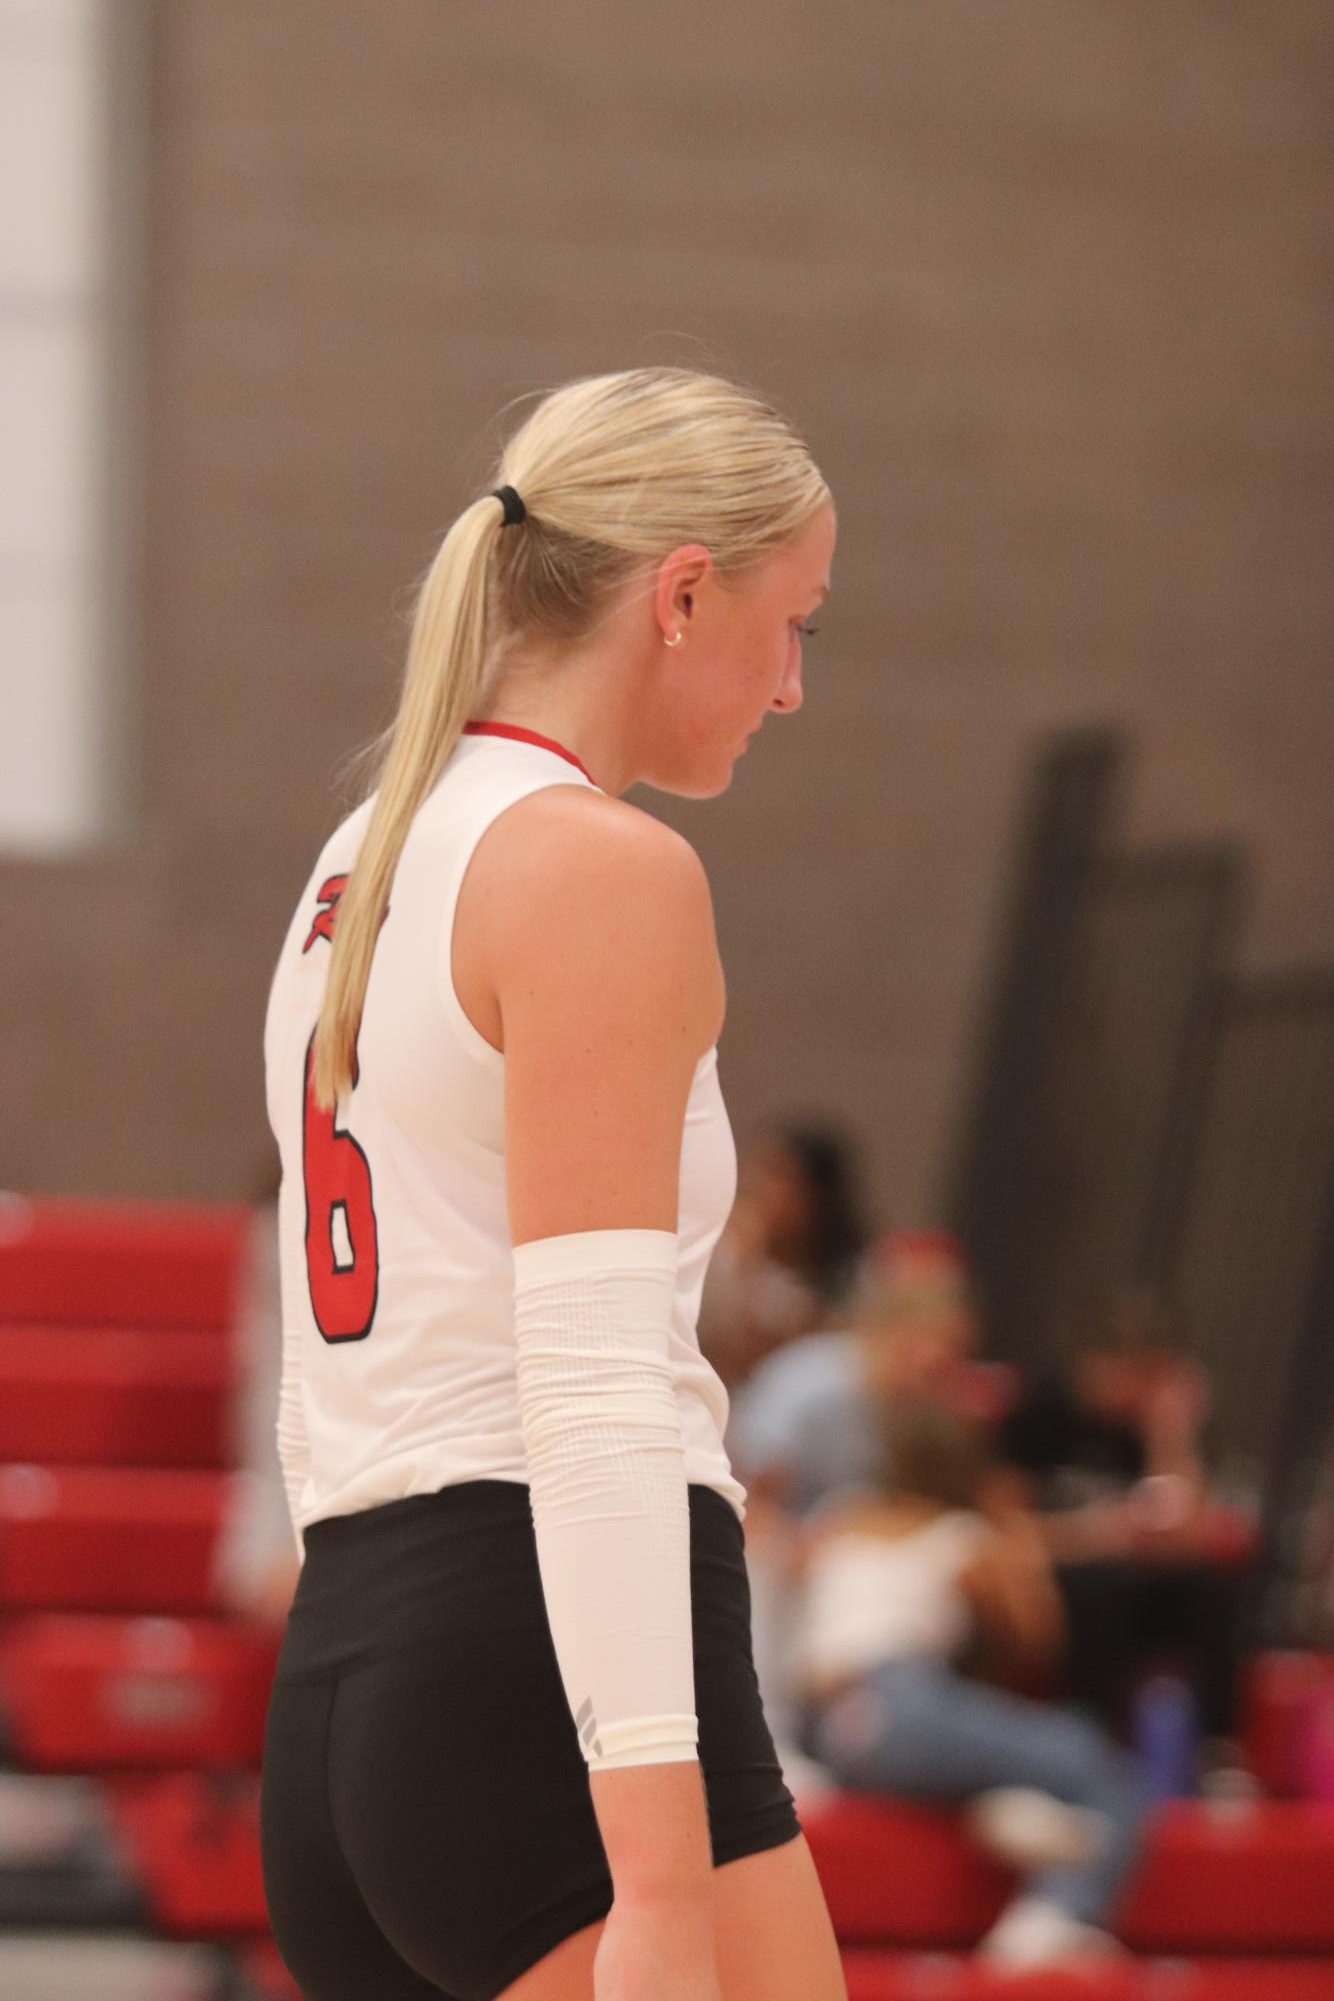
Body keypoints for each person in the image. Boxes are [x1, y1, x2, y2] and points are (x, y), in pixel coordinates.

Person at [258, 367, 846, 2001]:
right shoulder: (597, 866)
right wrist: (658, 1881)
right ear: (678, 593)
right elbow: (587, 1383)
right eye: (792, 622)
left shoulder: (358, 857)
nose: (788, 684)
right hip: (545, 1687)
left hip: (350, 1680)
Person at [791, 1402, 1147, 1971]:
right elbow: (1039, 1637)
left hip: (825, 1730)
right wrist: (1010, 1527)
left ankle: (1002, 1804)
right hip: (904, 1703)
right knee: (1097, 1759)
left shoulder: (841, 1518)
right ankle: (1058, 1918)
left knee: (957, 1747)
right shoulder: (962, 1536)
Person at [999, 1290, 1256, 1776]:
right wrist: (1095, 1533)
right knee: (1094, 1589)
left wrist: (1173, 1435)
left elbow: (1196, 1536)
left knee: (1218, 1586)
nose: (1140, 1391)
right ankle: (1089, 1744)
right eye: (1135, 1374)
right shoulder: (1040, 1410)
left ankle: (1217, 1755)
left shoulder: (1152, 1423)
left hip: (1138, 1576)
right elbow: (1002, 1530)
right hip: (1062, 1573)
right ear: (1097, 1363)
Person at [698, 1120, 871, 1390]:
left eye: (781, 1178)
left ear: (817, 1197)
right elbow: (724, 1358)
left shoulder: (853, 1278)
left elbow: (790, 1371)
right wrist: (747, 1265)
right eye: (760, 1175)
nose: (764, 1191)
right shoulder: (722, 1253)